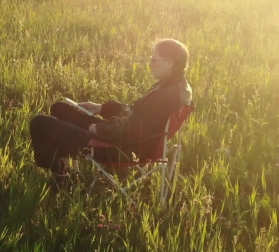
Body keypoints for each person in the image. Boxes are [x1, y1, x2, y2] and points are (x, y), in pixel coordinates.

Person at [29, 39, 192, 191]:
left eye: (154, 59)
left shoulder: (165, 96)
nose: (150, 64)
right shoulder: (174, 88)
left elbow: (131, 131)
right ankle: (64, 170)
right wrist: (100, 108)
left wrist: (96, 128)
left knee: (39, 123)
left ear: (169, 62)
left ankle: (61, 177)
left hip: (120, 149)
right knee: (60, 108)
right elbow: (135, 113)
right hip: (129, 141)